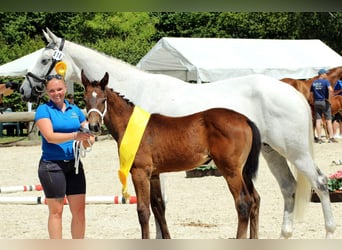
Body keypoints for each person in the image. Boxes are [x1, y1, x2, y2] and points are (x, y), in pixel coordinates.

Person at [35, 74, 95, 239]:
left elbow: (88, 135)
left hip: (74, 165)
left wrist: (88, 140)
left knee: (79, 211)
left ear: (65, 88)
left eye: (59, 89)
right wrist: (75, 135)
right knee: (56, 212)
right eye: (52, 91)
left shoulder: (75, 111)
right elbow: (50, 136)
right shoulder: (43, 110)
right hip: (52, 166)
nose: (56, 93)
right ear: (48, 93)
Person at [310, 69, 338, 144]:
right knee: (328, 120)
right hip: (324, 102)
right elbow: (331, 90)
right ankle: (331, 138)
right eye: (325, 73)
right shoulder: (326, 82)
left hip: (316, 102)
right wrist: (328, 99)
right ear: (321, 74)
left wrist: (313, 101)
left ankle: (319, 138)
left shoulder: (314, 82)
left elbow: (311, 94)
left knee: (318, 120)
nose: (326, 75)